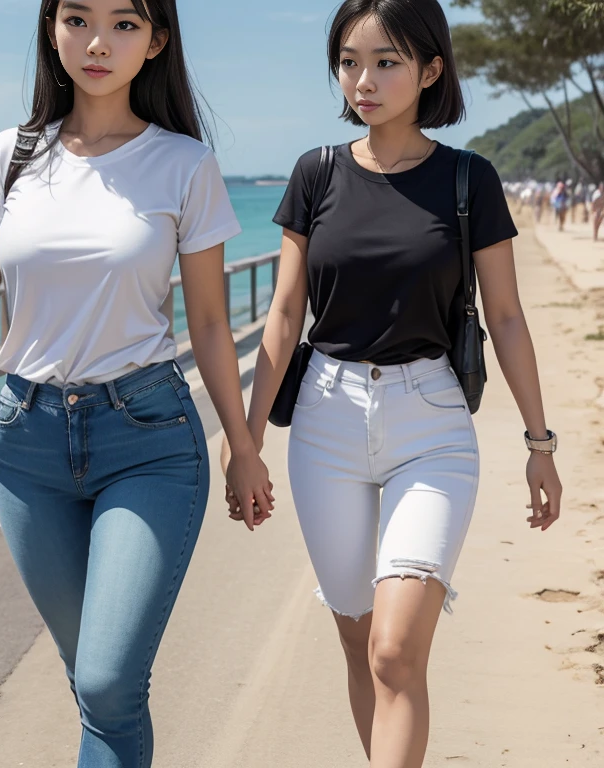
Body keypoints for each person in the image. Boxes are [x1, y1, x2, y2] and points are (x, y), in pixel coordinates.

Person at [0, 1, 273, 766]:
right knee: (96, 685)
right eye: (77, 18)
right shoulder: (11, 154)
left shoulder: (183, 163)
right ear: (51, 29)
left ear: (157, 41)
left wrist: (243, 447)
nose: (97, 41)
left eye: (124, 23)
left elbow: (208, 323)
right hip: (26, 447)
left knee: (106, 680)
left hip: (148, 440)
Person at [223, 1, 562, 766]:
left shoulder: (468, 180)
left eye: (385, 62)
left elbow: (506, 318)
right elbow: (283, 317)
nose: (363, 80)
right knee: (358, 641)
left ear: (430, 70)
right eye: (349, 61)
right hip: (325, 419)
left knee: (394, 651)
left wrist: (540, 444)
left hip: (431, 421)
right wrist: (244, 441)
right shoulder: (317, 173)